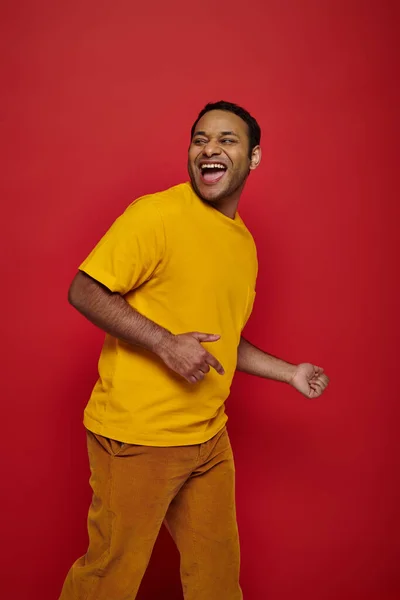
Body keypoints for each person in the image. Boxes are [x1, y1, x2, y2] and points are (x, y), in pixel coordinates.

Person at [59, 100, 329, 600]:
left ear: (254, 158)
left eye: (227, 140)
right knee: (107, 581)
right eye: (201, 138)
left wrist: (288, 372)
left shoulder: (242, 244)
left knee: (218, 579)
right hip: (139, 437)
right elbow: (85, 289)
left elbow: (221, 338)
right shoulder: (157, 215)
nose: (210, 148)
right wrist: (164, 344)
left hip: (207, 440)